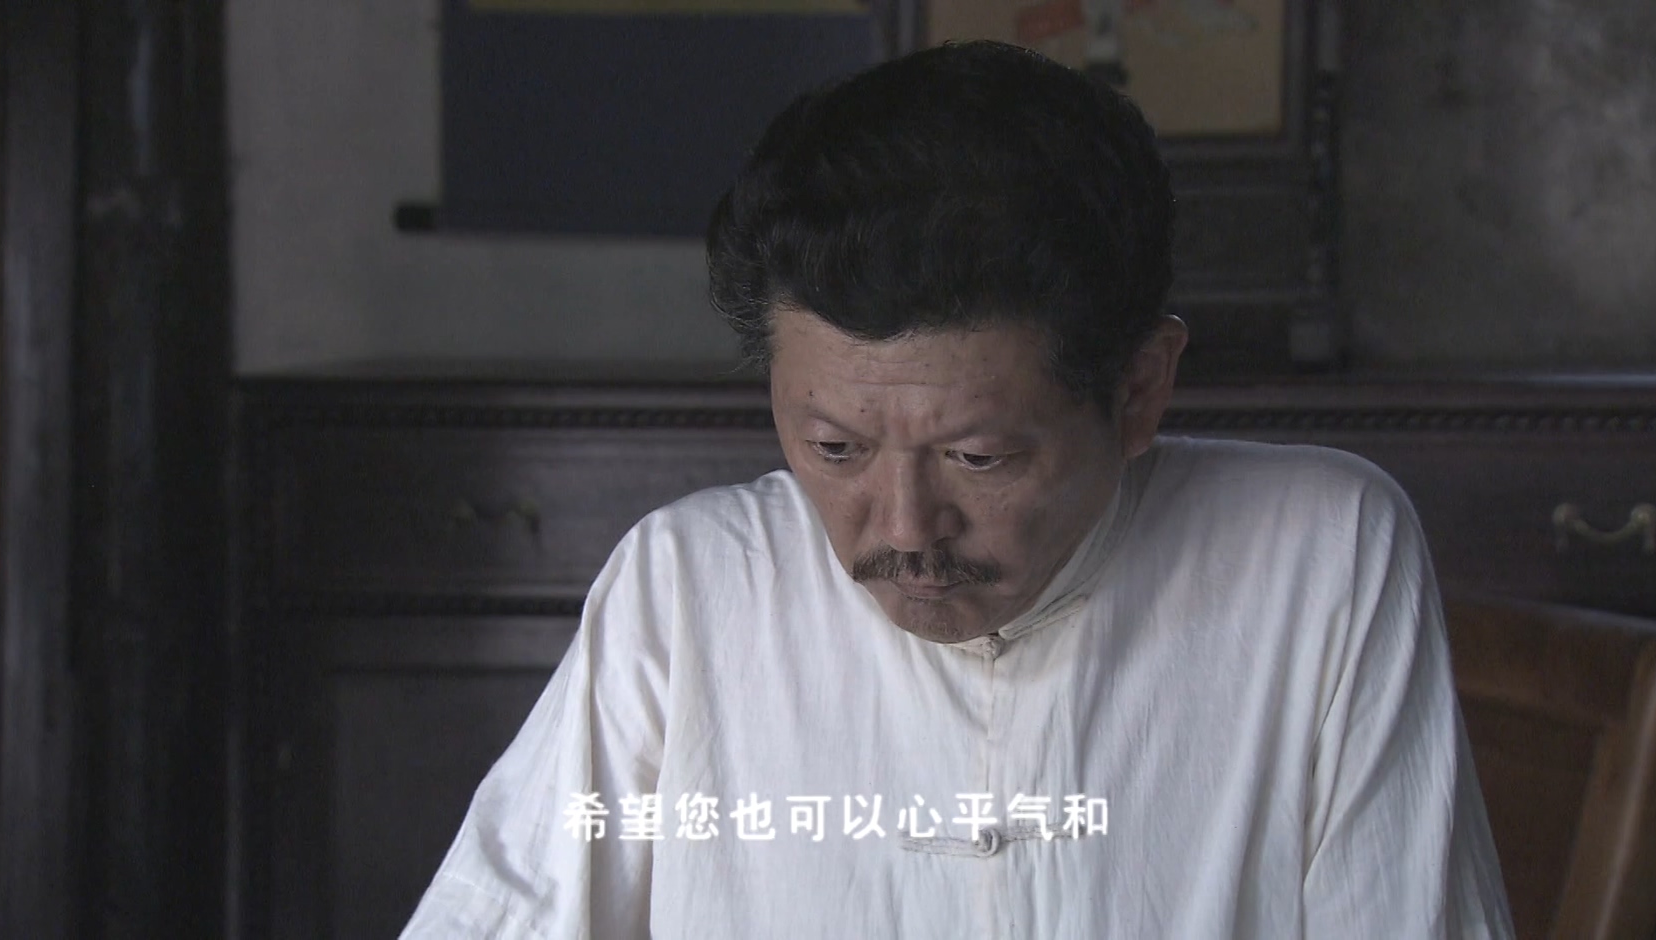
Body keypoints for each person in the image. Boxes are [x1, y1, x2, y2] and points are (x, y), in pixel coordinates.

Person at [402, 40, 1514, 939]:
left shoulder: (1317, 556)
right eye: (834, 447)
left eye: (979, 458)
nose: (902, 529)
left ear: (1138, 389)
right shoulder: (691, 587)